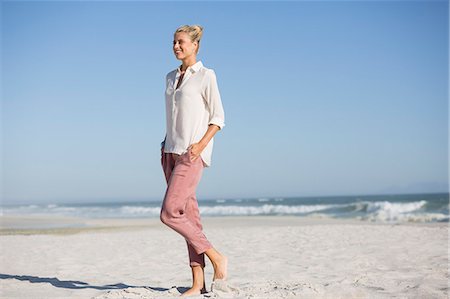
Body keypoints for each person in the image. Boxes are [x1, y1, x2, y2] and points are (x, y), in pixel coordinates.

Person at [159, 24, 228, 297]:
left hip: (191, 154)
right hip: (169, 153)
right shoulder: (169, 77)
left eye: (181, 42)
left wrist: (199, 145)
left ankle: (216, 257)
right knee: (189, 219)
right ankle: (197, 283)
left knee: (169, 213)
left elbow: (218, 118)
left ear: (195, 45)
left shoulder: (206, 76)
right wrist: (165, 146)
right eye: (174, 42)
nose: (176, 46)